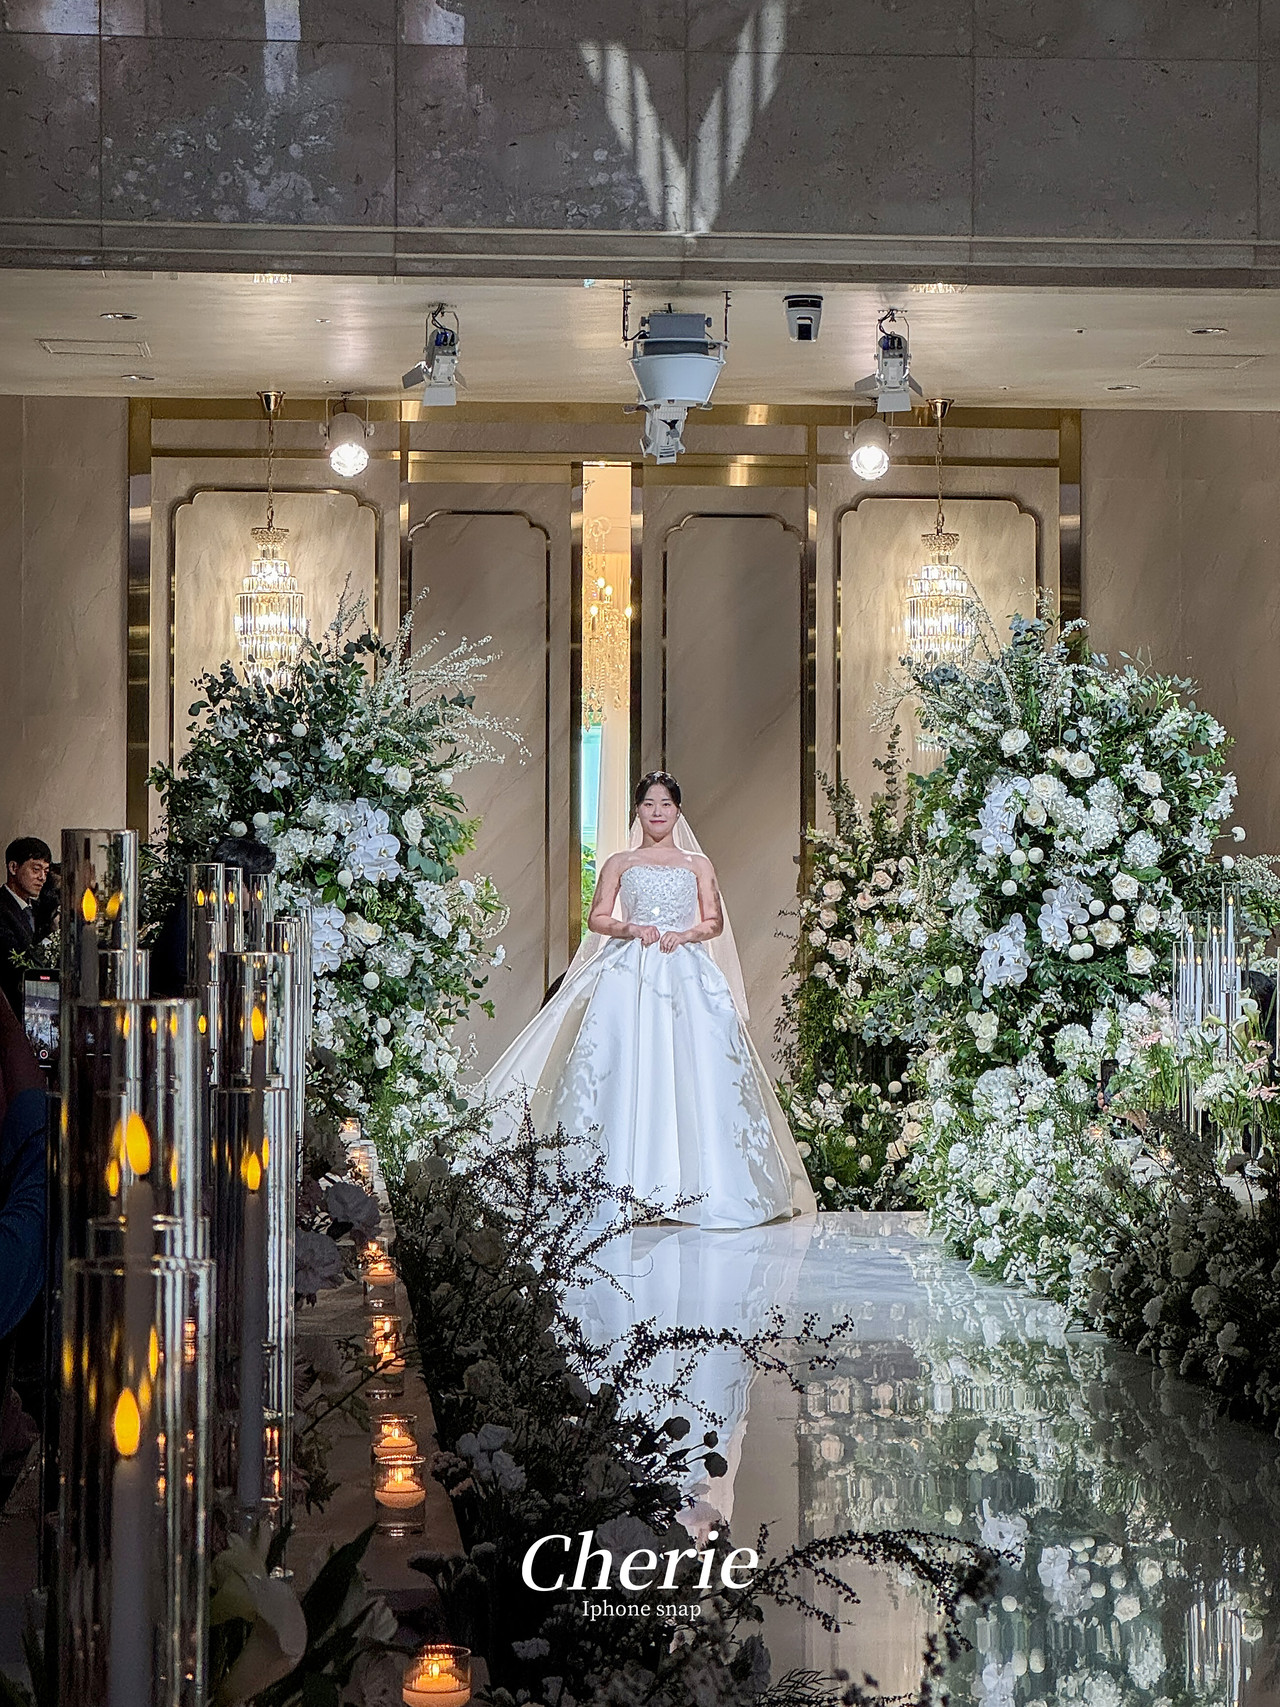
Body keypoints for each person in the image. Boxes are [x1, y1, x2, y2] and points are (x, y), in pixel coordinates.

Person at [481, 772, 816, 1229]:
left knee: (694, 1066)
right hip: (628, 969)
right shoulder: (620, 862)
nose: (657, 812)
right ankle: (612, 1184)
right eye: (649, 804)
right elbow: (598, 917)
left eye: (666, 804)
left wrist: (687, 934)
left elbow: (714, 921)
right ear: (637, 810)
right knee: (619, 1063)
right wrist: (631, 928)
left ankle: (697, 1186)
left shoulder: (698, 864)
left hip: (684, 969)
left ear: (678, 811)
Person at [0, 837, 55, 1019]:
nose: (42, 878)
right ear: (13, 867)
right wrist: (51, 940)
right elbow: (15, 962)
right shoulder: (2, 909)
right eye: (36, 869)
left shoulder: (41, 910)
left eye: (46, 871)